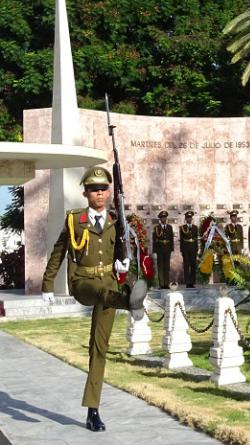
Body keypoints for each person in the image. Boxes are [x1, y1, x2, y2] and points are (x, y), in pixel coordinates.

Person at [41, 166, 147, 432]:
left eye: (103, 189)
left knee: (99, 349)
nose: (99, 194)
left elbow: (121, 257)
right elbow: (58, 253)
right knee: (104, 294)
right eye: (93, 190)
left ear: (109, 192)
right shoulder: (74, 221)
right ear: (85, 193)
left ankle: (93, 410)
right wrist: (47, 285)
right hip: (83, 283)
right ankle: (130, 303)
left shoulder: (115, 222)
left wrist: (123, 266)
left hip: (109, 284)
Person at [152, 210, 174, 288]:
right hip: (160, 249)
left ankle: (166, 284)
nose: (164, 219)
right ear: (160, 219)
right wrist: (154, 251)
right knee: (160, 267)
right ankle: (161, 284)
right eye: (162, 218)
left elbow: (171, 239)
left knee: (166, 267)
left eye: (165, 217)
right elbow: (154, 239)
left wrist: (172, 249)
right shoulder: (156, 228)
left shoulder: (169, 227)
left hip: (167, 249)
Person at [179, 211, 198, 288]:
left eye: (190, 217)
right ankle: (187, 282)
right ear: (185, 219)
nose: (189, 219)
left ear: (192, 218)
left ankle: (192, 282)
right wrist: (182, 249)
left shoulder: (195, 227)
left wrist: (196, 248)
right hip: (186, 248)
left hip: (193, 248)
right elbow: (181, 239)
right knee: (186, 265)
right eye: (187, 218)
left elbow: (196, 239)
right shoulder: (182, 228)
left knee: (193, 265)